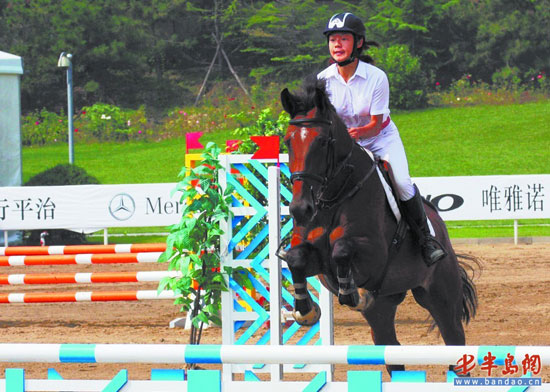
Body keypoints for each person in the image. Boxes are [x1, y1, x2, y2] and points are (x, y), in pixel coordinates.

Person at [317, 13, 446, 271]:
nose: (337, 45)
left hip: (380, 139)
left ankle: (426, 239)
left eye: (343, 38)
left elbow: (374, 124)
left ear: (359, 43)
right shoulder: (323, 80)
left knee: (401, 182)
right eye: (333, 40)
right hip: (346, 146)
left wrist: (352, 136)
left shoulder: (377, 77)